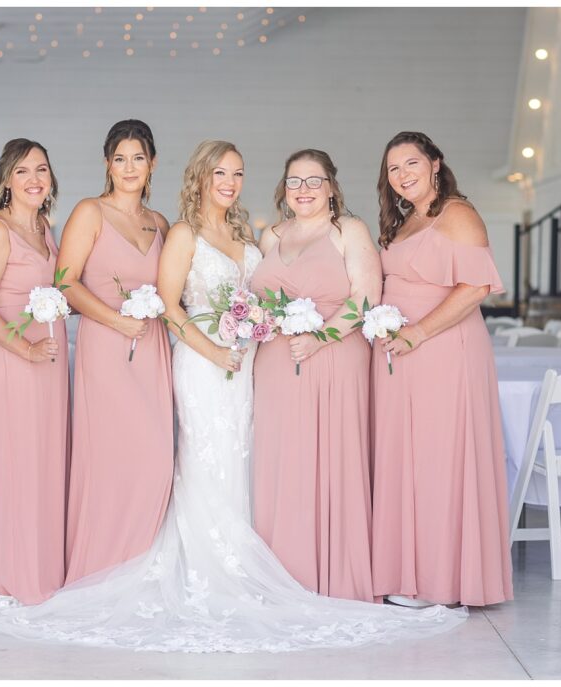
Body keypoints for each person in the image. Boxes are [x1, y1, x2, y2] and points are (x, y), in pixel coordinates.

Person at [0, 141, 466, 651]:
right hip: (201, 363)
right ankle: (201, 567)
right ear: (199, 177)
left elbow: (272, 295)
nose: (229, 183)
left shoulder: (249, 235)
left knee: (243, 461)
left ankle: (244, 562)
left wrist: (255, 330)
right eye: (220, 173)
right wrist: (212, 352)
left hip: (243, 368)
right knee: (201, 458)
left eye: (238, 174)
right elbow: (171, 306)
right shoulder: (183, 233)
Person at [370, 131, 513, 607]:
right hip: (401, 359)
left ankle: (441, 580)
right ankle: (407, 573)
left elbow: (476, 287)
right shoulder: (407, 219)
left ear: (435, 163)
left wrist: (418, 332)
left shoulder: (458, 213)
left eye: (411, 163)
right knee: (405, 461)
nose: (402, 174)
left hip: (443, 351)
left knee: (438, 459)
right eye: (393, 168)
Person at [248, 149, 380, 602]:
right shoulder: (271, 235)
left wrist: (321, 338)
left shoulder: (349, 231)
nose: (303, 190)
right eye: (294, 181)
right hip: (275, 366)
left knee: (329, 458)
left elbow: (365, 300)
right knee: (280, 462)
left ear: (331, 185)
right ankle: (283, 575)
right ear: (284, 188)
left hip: (333, 359)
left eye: (313, 180)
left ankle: (333, 574)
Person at [56, 119, 174, 584]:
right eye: (120, 159)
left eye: (138, 158)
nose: (129, 168)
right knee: (112, 458)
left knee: (156, 459)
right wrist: (116, 320)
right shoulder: (90, 212)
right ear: (108, 164)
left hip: (153, 353)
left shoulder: (161, 223)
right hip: (107, 348)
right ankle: (102, 569)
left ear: (152, 164)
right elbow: (65, 283)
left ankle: (144, 567)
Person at [0, 138, 69, 604]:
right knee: (14, 466)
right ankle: (10, 577)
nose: (33, 179)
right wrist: (24, 350)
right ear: (8, 179)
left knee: (44, 465)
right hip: (11, 362)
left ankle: (42, 571)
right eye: (23, 171)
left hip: (50, 362)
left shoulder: (46, 228)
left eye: (41, 170)